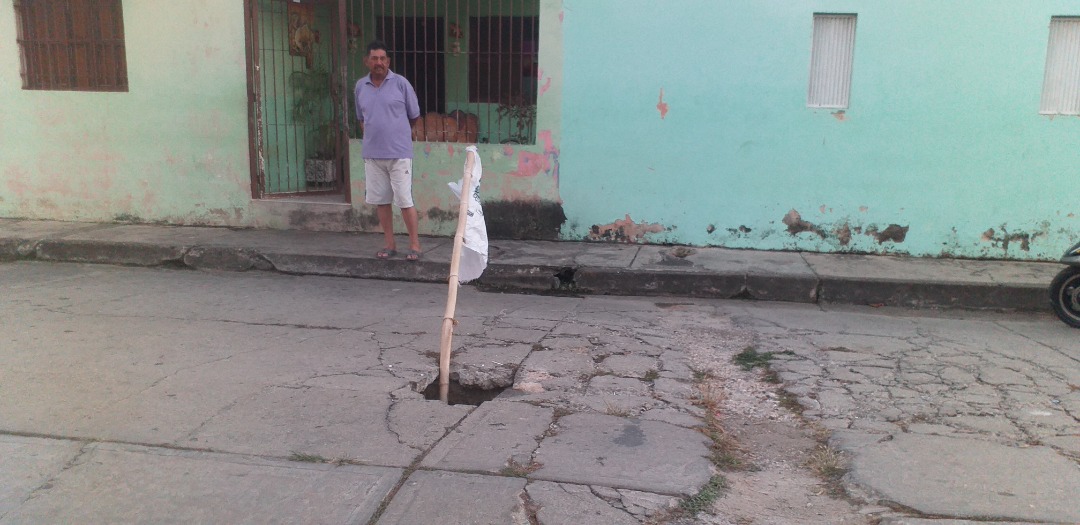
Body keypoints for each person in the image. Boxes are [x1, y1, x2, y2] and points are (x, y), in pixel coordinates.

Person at [355, 40, 422, 261]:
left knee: (404, 200)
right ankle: (390, 245)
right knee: (382, 202)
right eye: (374, 58)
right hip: (373, 156)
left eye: (383, 58)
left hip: (399, 154)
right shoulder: (360, 87)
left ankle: (414, 245)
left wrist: (396, 135)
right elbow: (361, 119)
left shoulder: (401, 84)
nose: (379, 63)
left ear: (388, 61)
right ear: (367, 61)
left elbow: (414, 116)